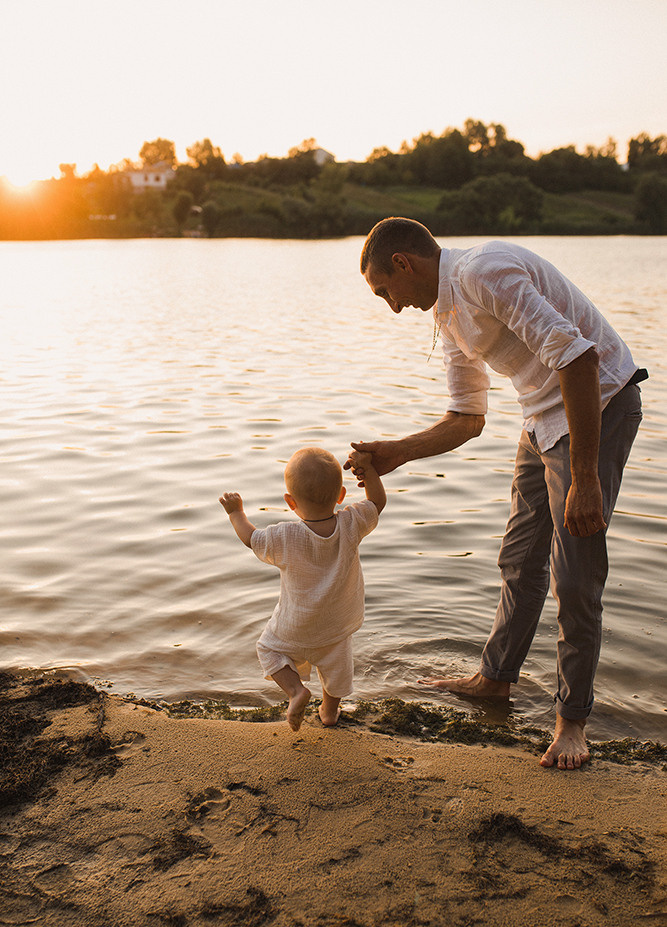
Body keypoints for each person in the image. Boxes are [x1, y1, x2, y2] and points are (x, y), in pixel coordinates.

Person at [347, 216, 645, 770]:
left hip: (597, 405)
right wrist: (398, 451)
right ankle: (495, 679)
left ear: (403, 263)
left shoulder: (484, 272)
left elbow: (580, 358)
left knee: (575, 573)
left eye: (386, 291)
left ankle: (572, 721)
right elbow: (466, 418)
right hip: (542, 418)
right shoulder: (445, 310)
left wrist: (584, 478)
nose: (392, 307)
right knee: (519, 557)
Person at [220, 446, 386, 731]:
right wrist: (368, 471)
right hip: (336, 627)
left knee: (267, 650)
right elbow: (377, 502)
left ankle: (296, 691)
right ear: (341, 496)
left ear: (290, 501)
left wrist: (236, 513)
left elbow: (250, 538)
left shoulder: (283, 536)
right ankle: (329, 712)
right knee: (337, 671)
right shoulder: (352, 523)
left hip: (294, 627)